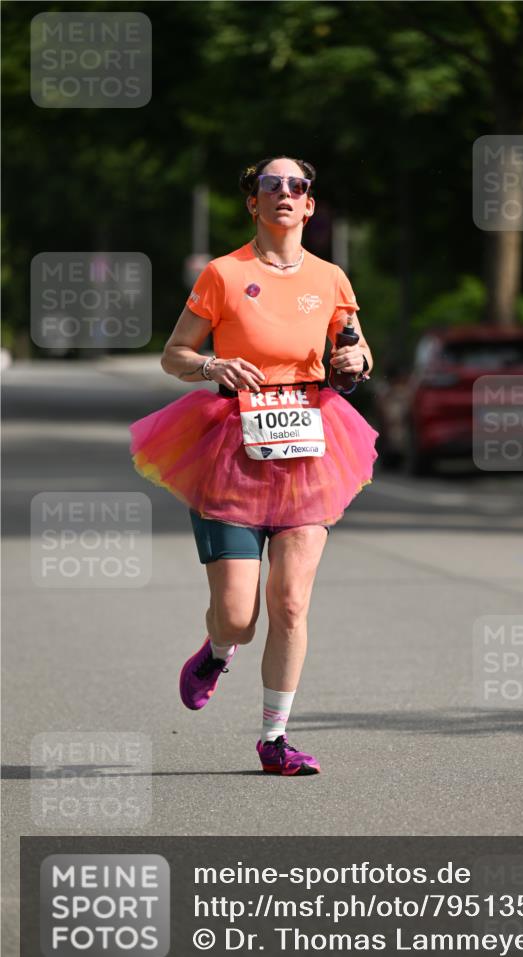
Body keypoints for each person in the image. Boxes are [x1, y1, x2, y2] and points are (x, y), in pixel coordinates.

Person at [129, 156, 378, 776]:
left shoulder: (331, 278)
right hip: (231, 449)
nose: (285, 194)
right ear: (254, 202)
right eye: (272, 185)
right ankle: (217, 651)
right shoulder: (223, 274)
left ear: (310, 205)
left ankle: (275, 739)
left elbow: (354, 345)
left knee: (291, 603)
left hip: (308, 449)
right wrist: (212, 366)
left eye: (297, 186)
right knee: (240, 617)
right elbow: (174, 355)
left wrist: (355, 364)